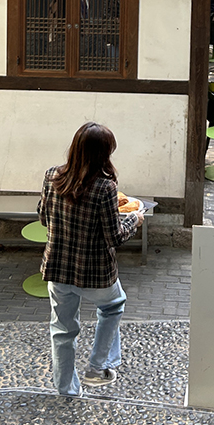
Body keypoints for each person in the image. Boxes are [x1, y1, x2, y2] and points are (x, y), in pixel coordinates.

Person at [38, 122, 144, 397]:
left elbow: (43, 218)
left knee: (62, 330)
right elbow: (114, 237)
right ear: (103, 154)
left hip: (57, 268)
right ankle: (98, 368)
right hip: (95, 272)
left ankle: (66, 389)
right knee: (113, 307)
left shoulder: (51, 176)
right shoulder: (105, 187)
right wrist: (134, 219)